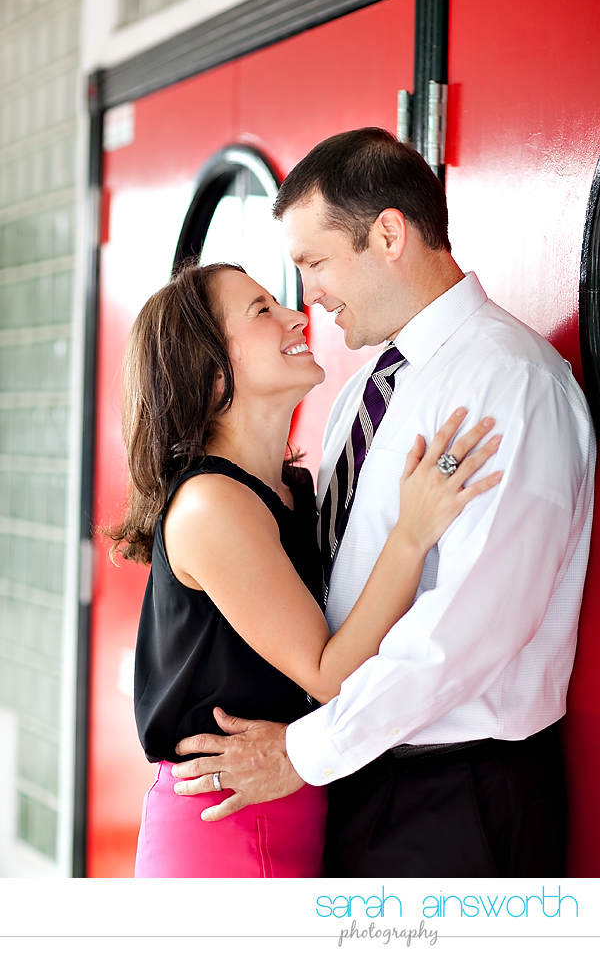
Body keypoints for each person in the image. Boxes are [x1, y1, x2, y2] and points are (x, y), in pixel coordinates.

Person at [172, 128, 596, 877]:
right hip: (364, 775)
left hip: (457, 798)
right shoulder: (370, 387)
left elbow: (469, 630)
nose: (310, 297)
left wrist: (303, 753)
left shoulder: (509, 382)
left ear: (389, 234)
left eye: (315, 262)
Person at [108, 260, 501, 878]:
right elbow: (325, 673)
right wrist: (412, 533)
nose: (299, 315)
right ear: (212, 374)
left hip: (290, 802)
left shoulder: (292, 488)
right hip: (226, 823)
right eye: (263, 311)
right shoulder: (211, 505)